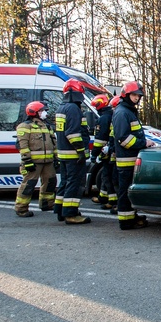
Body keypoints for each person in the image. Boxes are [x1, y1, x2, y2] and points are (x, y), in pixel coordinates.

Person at [112, 81, 153, 230]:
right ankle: (126, 221)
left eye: (138, 95)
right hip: (126, 161)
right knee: (125, 192)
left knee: (129, 191)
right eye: (134, 95)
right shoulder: (122, 112)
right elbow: (123, 138)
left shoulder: (128, 111)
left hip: (130, 159)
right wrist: (143, 143)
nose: (137, 98)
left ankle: (131, 216)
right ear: (126, 94)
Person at [54, 79, 91, 225]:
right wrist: (81, 151)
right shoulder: (74, 109)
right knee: (74, 184)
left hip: (63, 154)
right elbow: (73, 134)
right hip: (73, 154)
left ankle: (60, 210)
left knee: (64, 182)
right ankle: (70, 214)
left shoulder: (61, 108)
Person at [13, 101, 57, 217]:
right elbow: (23, 145)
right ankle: (21, 208)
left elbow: (54, 143)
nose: (45, 113)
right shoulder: (25, 126)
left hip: (48, 162)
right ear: (35, 112)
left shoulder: (47, 126)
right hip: (33, 162)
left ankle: (47, 203)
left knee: (50, 182)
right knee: (29, 184)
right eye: (42, 111)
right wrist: (27, 161)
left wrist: (56, 158)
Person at [89, 94, 117, 210]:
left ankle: (112, 200)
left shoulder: (103, 118)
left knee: (107, 176)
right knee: (107, 175)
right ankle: (103, 196)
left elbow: (100, 139)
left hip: (107, 152)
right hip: (111, 150)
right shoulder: (111, 115)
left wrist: (94, 154)